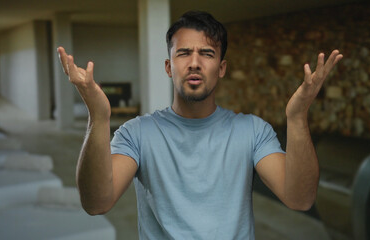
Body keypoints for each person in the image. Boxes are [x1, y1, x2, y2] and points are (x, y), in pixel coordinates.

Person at [57, 11, 342, 239]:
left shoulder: (253, 131)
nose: (194, 63)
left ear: (221, 68)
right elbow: (96, 203)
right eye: (183, 53)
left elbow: (300, 198)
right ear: (169, 67)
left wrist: (298, 116)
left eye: (206, 53)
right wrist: (98, 117)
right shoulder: (137, 132)